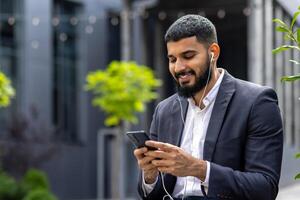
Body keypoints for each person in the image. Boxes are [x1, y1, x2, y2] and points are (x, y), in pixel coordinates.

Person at [133, 14, 283, 200]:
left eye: (188, 56)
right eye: (172, 59)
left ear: (213, 52)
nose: (179, 67)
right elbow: (151, 194)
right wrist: (150, 175)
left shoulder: (257, 102)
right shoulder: (164, 110)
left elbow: (264, 188)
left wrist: (199, 169)